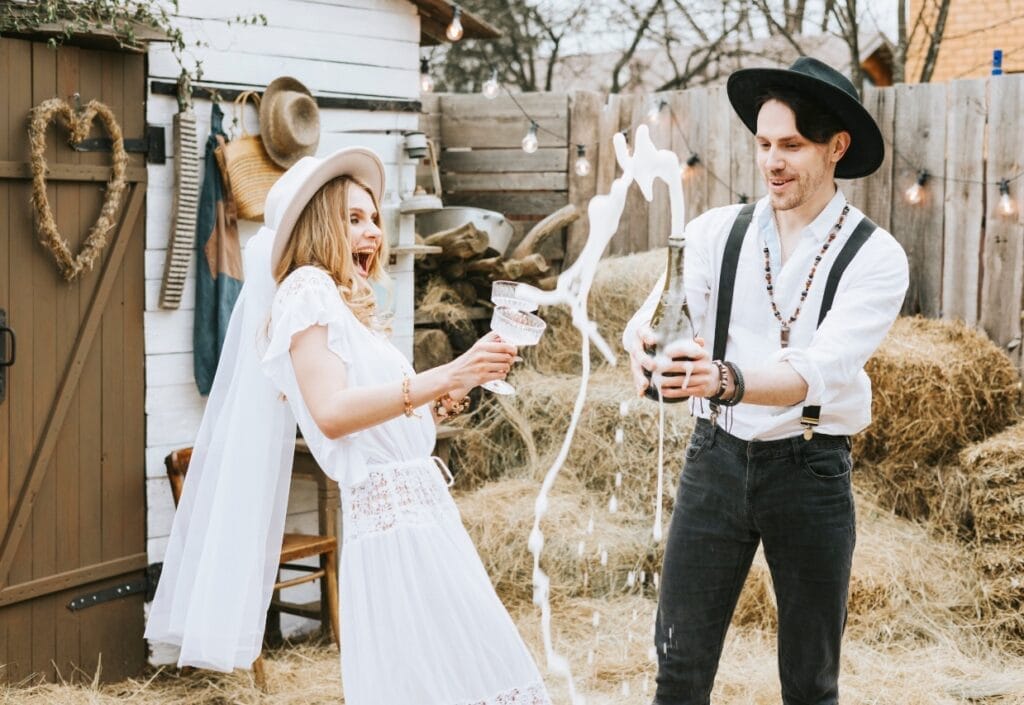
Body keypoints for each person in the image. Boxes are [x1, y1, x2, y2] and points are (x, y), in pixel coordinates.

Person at [147, 147, 551, 705]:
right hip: (391, 523)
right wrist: (445, 373)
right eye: (353, 220)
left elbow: (375, 415)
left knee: (454, 669)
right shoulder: (306, 290)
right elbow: (332, 414)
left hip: (417, 511)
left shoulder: (343, 303)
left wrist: (446, 395)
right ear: (319, 227)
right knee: (452, 670)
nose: (372, 234)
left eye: (374, 220)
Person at [623, 57, 909, 705]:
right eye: (763, 144)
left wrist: (722, 376)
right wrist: (646, 350)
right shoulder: (714, 232)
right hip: (713, 460)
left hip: (810, 472)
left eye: (792, 145)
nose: (772, 161)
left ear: (836, 147)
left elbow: (819, 370)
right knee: (679, 669)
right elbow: (653, 317)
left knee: (810, 682)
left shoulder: (876, 258)